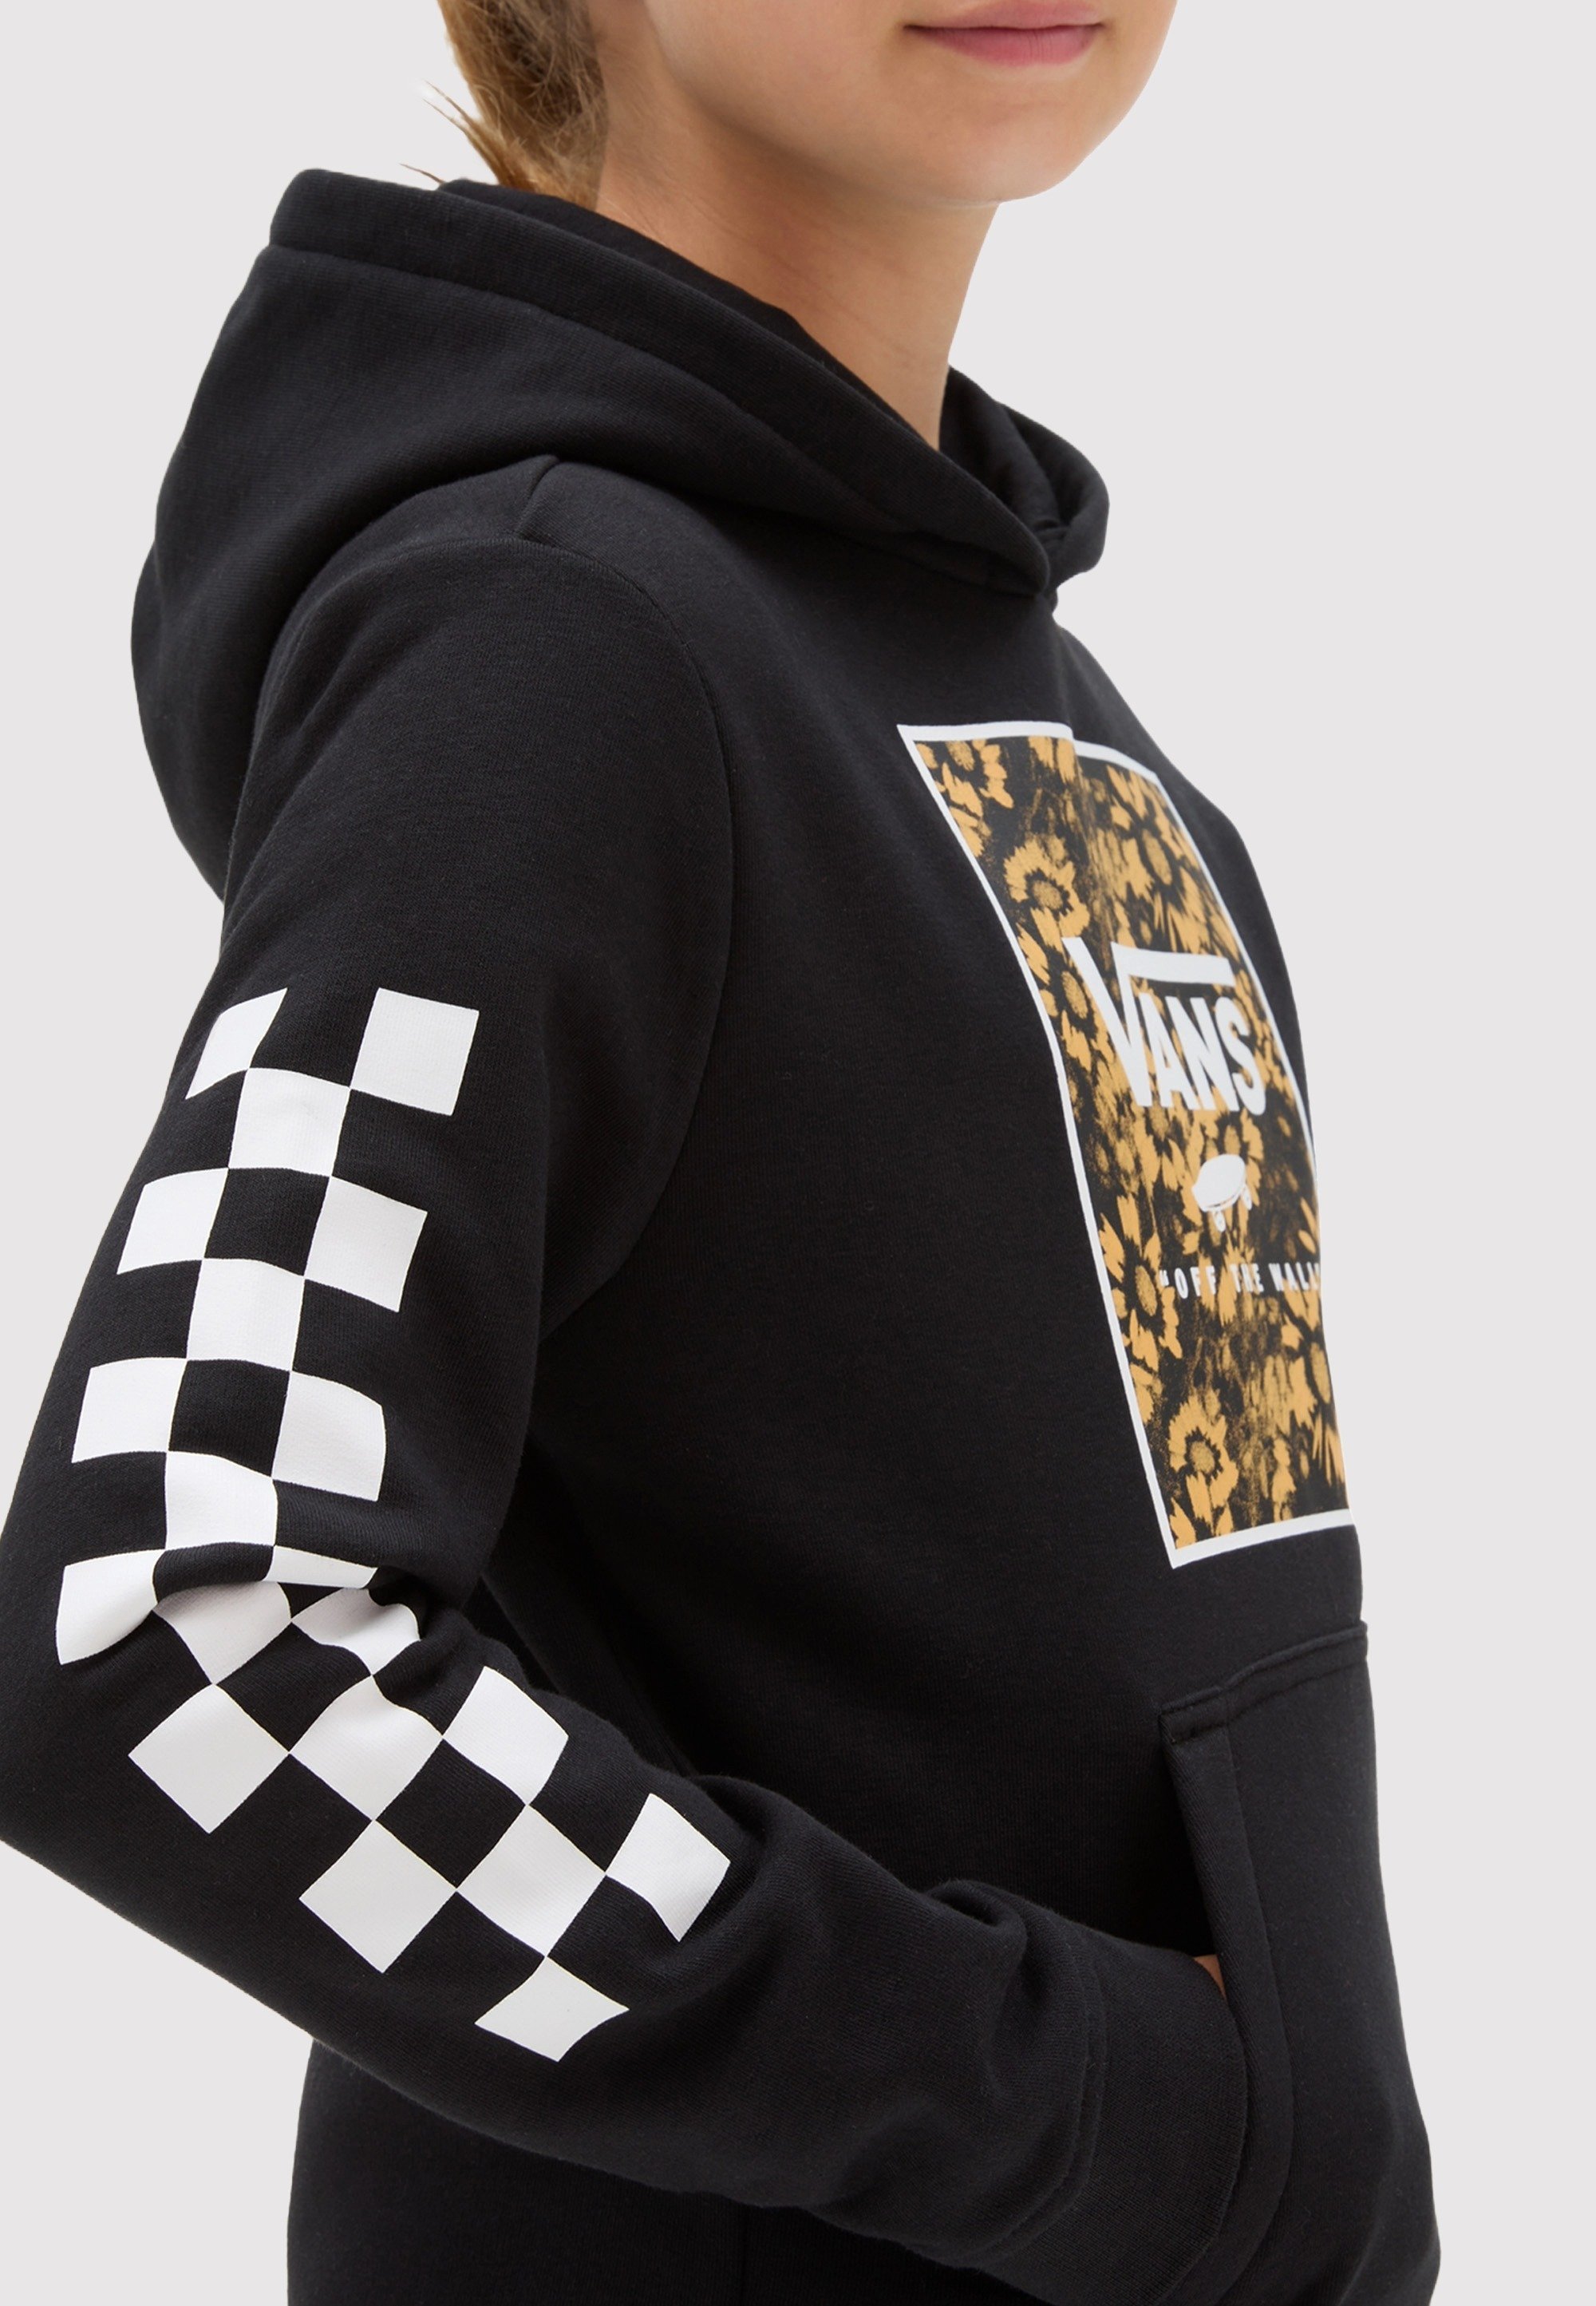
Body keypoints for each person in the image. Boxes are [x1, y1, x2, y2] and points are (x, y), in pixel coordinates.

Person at [0, 3, 1438, 2301]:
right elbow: (173, 1620)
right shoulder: (547, 643)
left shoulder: (1056, 727)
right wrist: (1077, 2110)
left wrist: (1262, 2169)